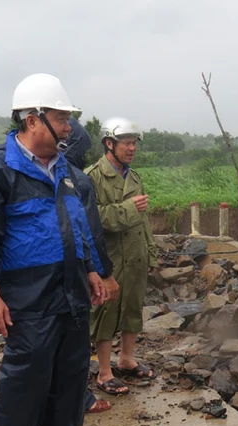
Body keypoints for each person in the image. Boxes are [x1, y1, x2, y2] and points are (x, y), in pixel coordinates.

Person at [0, 73, 105, 426]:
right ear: (31, 119)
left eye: (68, 119)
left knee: (71, 377)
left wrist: (91, 269)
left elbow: (79, 227)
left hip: (72, 290)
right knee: (26, 382)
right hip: (28, 295)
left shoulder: (68, 173)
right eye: (61, 119)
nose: (69, 128)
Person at [86, 118, 159, 395]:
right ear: (109, 143)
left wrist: (150, 253)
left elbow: (144, 220)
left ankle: (126, 359)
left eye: (134, 143)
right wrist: (128, 207)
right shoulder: (92, 176)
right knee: (106, 311)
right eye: (126, 143)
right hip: (110, 257)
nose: (132, 148)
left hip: (136, 254)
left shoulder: (135, 176)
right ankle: (104, 372)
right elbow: (92, 219)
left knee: (132, 307)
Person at [63, 117, 120, 414]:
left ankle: (40, 404)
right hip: (69, 273)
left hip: (33, 279)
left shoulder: (11, 170)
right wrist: (103, 273)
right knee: (73, 340)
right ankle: (79, 399)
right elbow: (91, 232)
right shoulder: (79, 180)